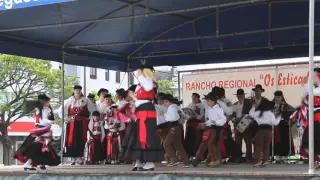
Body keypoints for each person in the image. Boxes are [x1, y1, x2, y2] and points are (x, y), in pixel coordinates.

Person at [127, 65, 163, 171]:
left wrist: (141, 76)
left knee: (147, 136)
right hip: (140, 111)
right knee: (138, 136)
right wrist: (133, 97)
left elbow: (148, 88)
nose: (136, 72)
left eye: (139, 70)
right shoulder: (140, 84)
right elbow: (140, 100)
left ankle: (149, 162)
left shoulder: (148, 81)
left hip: (147, 112)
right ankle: (139, 160)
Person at [14, 94, 61, 170]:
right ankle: (28, 164)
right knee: (38, 148)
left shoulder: (38, 110)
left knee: (42, 149)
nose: (49, 103)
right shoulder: (45, 110)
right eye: (48, 101)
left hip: (38, 131)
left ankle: (41, 164)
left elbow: (39, 121)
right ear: (45, 102)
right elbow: (43, 121)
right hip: (43, 132)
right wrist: (52, 121)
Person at [59, 85, 97, 165]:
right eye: (76, 90)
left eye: (79, 90)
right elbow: (60, 111)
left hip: (82, 123)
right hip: (71, 124)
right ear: (74, 91)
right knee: (71, 140)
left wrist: (89, 118)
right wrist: (66, 118)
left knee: (81, 139)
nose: (78, 92)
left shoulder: (85, 101)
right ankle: (72, 158)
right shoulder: (69, 101)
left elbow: (93, 110)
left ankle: (79, 157)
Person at [191, 92, 227, 168]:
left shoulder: (218, 109)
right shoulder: (210, 109)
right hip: (210, 128)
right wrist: (205, 124)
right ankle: (215, 161)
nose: (207, 102)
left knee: (211, 144)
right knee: (212, 144)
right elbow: (210, 120)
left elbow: (224, 119)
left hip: (216, 128)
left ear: (213, 101)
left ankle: (214, 160)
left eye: (209, 101)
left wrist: (216, 122)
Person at [292, 68, 320, 163]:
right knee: (306, 140)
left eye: (315, 75)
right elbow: (304, 101)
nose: (313, 77)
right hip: (312, 117)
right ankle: (315, 157)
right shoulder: (309, 87)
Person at [249, 99, 281, 167]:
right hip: (269, 131)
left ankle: (257, 161)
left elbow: (251, 114)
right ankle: (265, 160)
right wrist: (278, 117)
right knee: (266, 146)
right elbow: (275, 123)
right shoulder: (270, 113)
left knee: (259, 146)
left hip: (261, 130)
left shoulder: (259, 112)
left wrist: (253, 106)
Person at [162, 94, 190, 168]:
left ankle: (174, 159)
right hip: (178, 127)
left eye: (166, 101)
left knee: (166, 144)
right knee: (178, 146)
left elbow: (172, 118)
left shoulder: (172, 108)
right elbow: (185, 116)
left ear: (170, 102)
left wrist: (164, 114)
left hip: (173, 127)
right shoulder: (176, 107)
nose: (164, 103)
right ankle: (186, 162)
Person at [271, 91, 295, 163]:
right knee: (275, 142)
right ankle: (277, 157)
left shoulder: (286, 106)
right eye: (276, 97)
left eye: (279, 97)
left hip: (283, 126)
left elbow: (294, 112)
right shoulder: (272, 106)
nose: (277, 98)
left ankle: (285, 157)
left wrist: (288, 119)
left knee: (284, 142)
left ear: (282, 97)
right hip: (274, 126)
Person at [232, 88, 255, 163]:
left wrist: (242, 118)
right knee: (238, 142)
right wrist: (234, 120)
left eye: (241, 95)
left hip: (246, 124)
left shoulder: (249, 102)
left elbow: (251, 113)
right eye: (238, 96)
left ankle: (249, 158)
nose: (240, 97)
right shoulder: (235, 104)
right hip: (237, 125)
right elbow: (233, 115)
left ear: (244, 95)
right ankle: (239, 157)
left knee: (248, 142)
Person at [184, 93, 205, 157]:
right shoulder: (190, 104)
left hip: (197, 124)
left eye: (195, 97)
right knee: (188, 139)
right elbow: (186, 114)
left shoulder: (202, 105)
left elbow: (201, 116)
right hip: (189, 123)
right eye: (192, 97)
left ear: (198, 98)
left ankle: (196, 154)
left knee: (196, 140)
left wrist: (195, 115)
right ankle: (188, 154)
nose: (193, 99)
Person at [154, 92, 170, 164]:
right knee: (163, 141)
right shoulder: (156, 106)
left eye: (161, 99)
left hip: (167, 125)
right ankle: (164, 156)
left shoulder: (167, 106)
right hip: (160, 125)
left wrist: (164, 115)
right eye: (159, 99)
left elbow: (167, 116)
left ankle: (167, 156)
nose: (160, 101)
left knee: (166, 141)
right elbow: (158, 116)